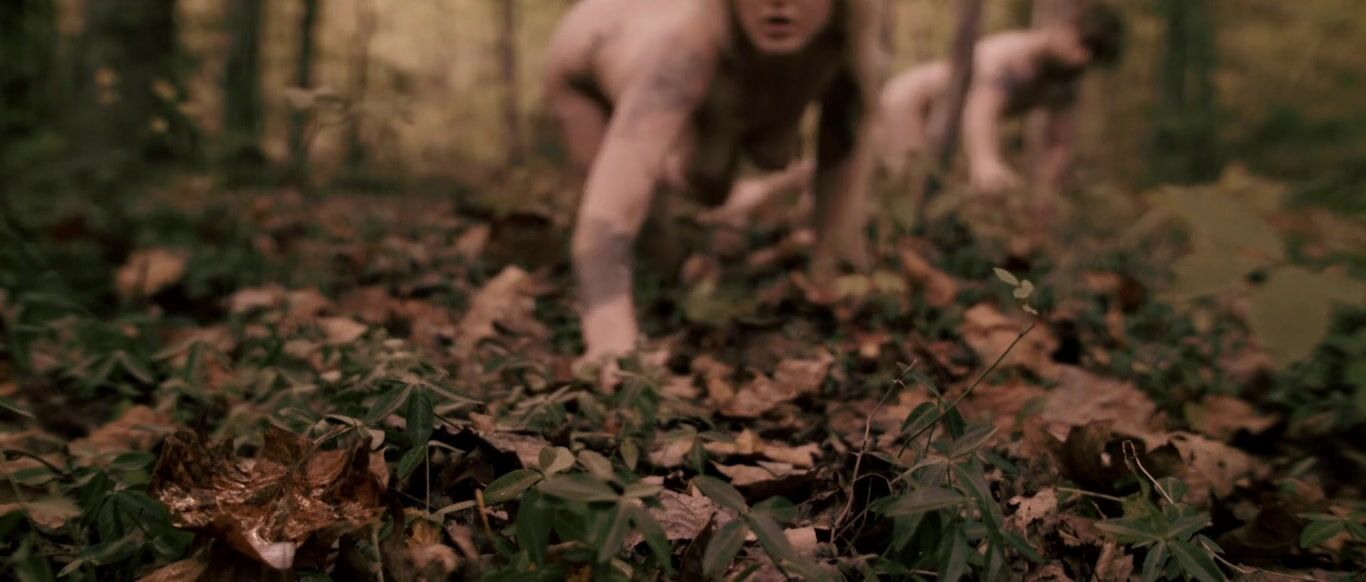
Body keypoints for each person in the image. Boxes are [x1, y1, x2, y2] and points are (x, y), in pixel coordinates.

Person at [544, 0, 886, 372]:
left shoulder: (848, 45)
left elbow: (842, 148)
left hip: (718, 77)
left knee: (733, 172)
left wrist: (829, 271)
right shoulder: (682, 53)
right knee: (656, 243)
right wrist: (611, 344)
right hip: (586, 62)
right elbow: (605, 222)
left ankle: (693, 182)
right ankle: (673, 184)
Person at [702, 4, 1125, 226]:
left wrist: (1045, 194)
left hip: (934, 119)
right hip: (909, 104)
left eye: (1092, 54)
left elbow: (1058, 142)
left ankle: (756, 197)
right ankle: (800, 220)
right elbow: (982, 104)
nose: (1081, 57)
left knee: (849, 167)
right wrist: (985, 162)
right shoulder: (1017, 54)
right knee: (899, 183)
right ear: (1064, 29)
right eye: (1081, 44)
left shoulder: (1065, 79)